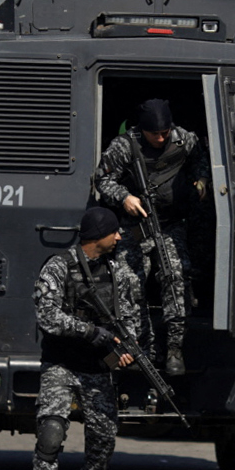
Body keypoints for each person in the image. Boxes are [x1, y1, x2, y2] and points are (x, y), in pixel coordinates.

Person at [28, 206, 143, 470]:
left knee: (104, 435)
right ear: (99, 235)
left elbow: (130, 319)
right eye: (115, 231)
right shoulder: (58, 268)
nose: (120, 237)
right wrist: (91, 332)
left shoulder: (118, 272)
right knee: (51, 432)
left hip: (97, 368)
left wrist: (122, 352)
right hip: (60, 365)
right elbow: (48, 317)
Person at [93, 97, 208, 376]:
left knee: (175, 276)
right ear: (141, 130)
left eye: (164, 132)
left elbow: (202, 163)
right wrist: (124, 198)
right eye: (154, 133)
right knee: (130, 282)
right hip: (134, 225)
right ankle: (135, 346)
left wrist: (201, 181)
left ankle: (174, 349)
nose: (160, 137)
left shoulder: (184, 140)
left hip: (170, 224)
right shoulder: (124, 146)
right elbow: (102, 179)